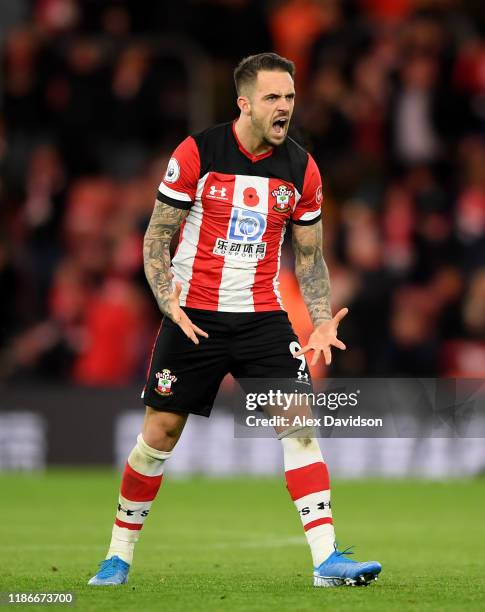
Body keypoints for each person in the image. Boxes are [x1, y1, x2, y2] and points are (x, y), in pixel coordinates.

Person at [88, 52, 381, 588]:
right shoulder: (198, 152)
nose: (285, 107)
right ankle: (118, 556)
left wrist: (320, 318)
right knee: (160, 432)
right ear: (244, 103)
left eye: (290, 97)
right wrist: (165, 300)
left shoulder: (302, 167)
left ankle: (327, 560)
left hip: (262, 317)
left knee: (298, 424)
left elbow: (310, 257)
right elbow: (156, 235)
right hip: (193, 314)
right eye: (273, 97)